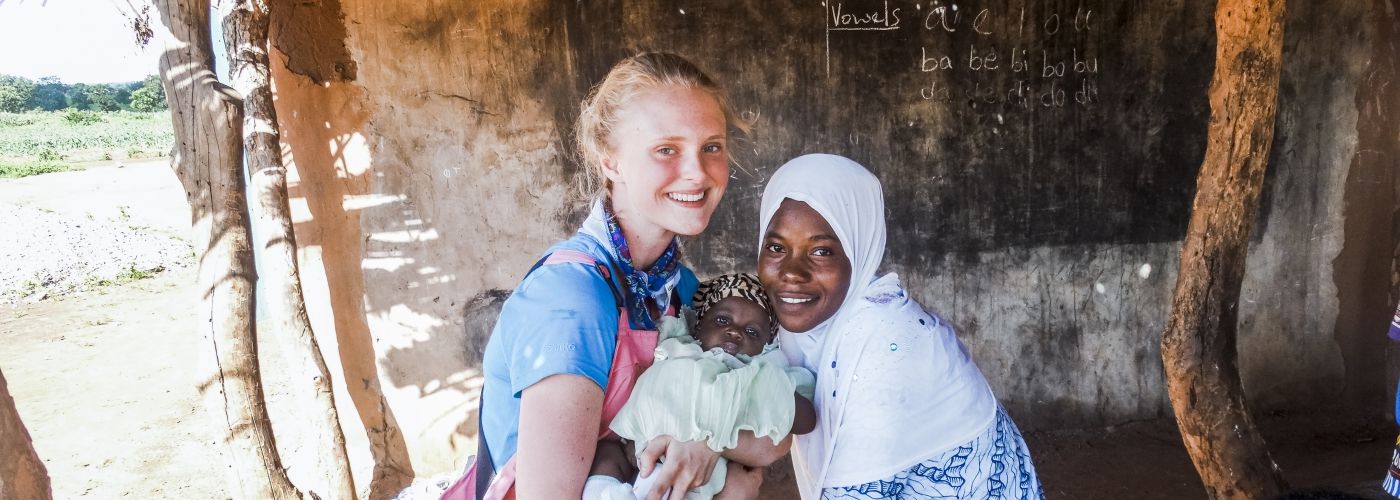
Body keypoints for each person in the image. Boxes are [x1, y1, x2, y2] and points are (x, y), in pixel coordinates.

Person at [467, 52, 783, 500]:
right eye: (666, 149)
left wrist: (706, 442)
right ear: (610, 160)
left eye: (711, 146)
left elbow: (775, 434)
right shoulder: (573, 301)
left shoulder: (680, 289)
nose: (696, 171)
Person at [756, 153, 1045, 499]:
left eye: (821, 252)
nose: (792, 272)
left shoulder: (887, 348)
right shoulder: (805, 328)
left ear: (860, 251)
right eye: (775, 247)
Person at [584, 274, 817, 499]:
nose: (735, 332)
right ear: (698, 324)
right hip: (635, 446)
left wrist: (766, 390)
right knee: (606, 454)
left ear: (766, 346)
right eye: (722, 320)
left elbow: (805, 418)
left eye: (752, 332)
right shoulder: (676, 345)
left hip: (692, 476)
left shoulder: (750, 376)